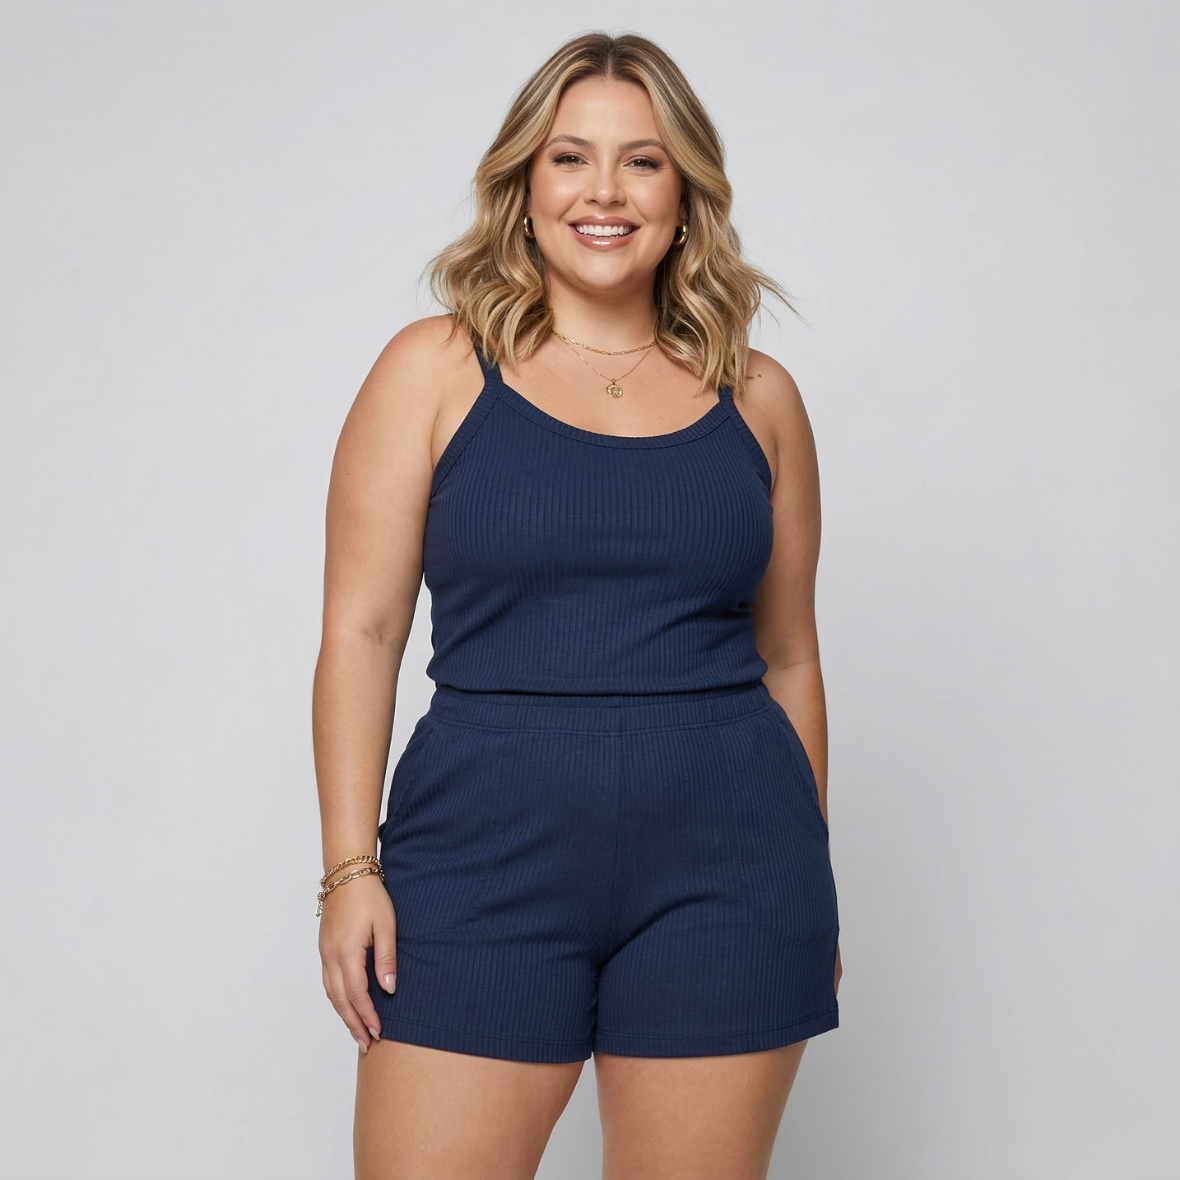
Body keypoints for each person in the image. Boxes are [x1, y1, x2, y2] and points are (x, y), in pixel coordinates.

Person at [313, 30, 842, 1180]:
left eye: (642, 162)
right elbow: (361, 632)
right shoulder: (432, 371)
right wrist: (349, 871)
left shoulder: (759, 397)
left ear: (685, 193)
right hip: (480, 858)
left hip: (730, 872)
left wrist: (810, 872)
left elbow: (790, 656)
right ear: (523, 183)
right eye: (570, 158)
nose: (604, 191)